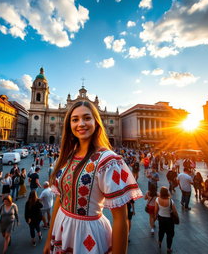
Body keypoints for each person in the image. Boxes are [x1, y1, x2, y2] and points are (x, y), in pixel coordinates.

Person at [43, 101, 142, 254]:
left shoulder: (108, 161)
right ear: (69, 124)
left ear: (96, 121)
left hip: (89, 235)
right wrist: (49, 238)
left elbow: (121, 219)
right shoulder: (67, 157)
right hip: (61, 233)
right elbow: (59, 199)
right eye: (75, 119)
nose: (81, 123)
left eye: (87, 118)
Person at [155, 187, 178, 253]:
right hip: (169, 219)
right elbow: (175, 211)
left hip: (161, 218)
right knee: (169, 234)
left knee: (161, 231)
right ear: (167, 193)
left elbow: (156, 210)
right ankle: (168, 248)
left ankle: (159, 242)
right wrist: (177, 217)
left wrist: (155, 216)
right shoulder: (171, 201)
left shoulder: (157, 199)